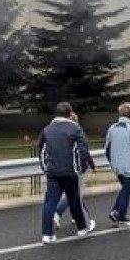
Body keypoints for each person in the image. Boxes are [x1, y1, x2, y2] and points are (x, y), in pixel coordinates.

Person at [38, 102, 96, 244]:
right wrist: (81, 168)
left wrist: (46, 169)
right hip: (71, 172)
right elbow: (83, 150)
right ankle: (82, 228)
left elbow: (41, 151)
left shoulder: (46, 130)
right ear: (70, 113)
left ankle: (47, 235)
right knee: (75, 200)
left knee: (50, 203)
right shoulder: (75, 128)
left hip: (53, 173)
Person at [52, 112, 96, 231]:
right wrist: (91, 164)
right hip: (77, 168)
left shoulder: (62, 132)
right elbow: (84, 150)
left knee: (73, 194)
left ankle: (75, 217)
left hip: (64, 167)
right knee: (74, 195)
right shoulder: (77, 131)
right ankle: (57, 213)